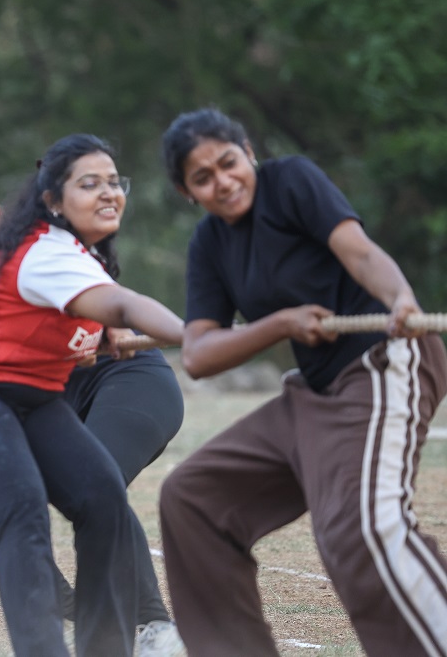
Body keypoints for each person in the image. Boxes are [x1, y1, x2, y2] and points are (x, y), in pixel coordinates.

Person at [158, 107, 447, 656]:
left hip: (381, 362)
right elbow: (198, 353)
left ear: (248, 151)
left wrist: (401, 298)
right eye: (203, 177)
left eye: (228, 162)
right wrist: (282, 325)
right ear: (186, 191)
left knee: (362, 528)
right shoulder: (209, 244)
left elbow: (359, 252)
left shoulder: (290, 180)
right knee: (192, 498)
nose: (223, 182)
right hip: (314, 392)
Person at [0, 134, 184, 657]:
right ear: (52, 199)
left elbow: (108, 310)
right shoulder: (36, 251)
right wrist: (197, 334)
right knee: (21, 506)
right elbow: (121, 305)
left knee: (101, 494)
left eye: (113, 182)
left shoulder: (63, 250)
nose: (108, 193)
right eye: (89, 184)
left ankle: (119, 639)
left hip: (45, 393)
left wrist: (105, 332)